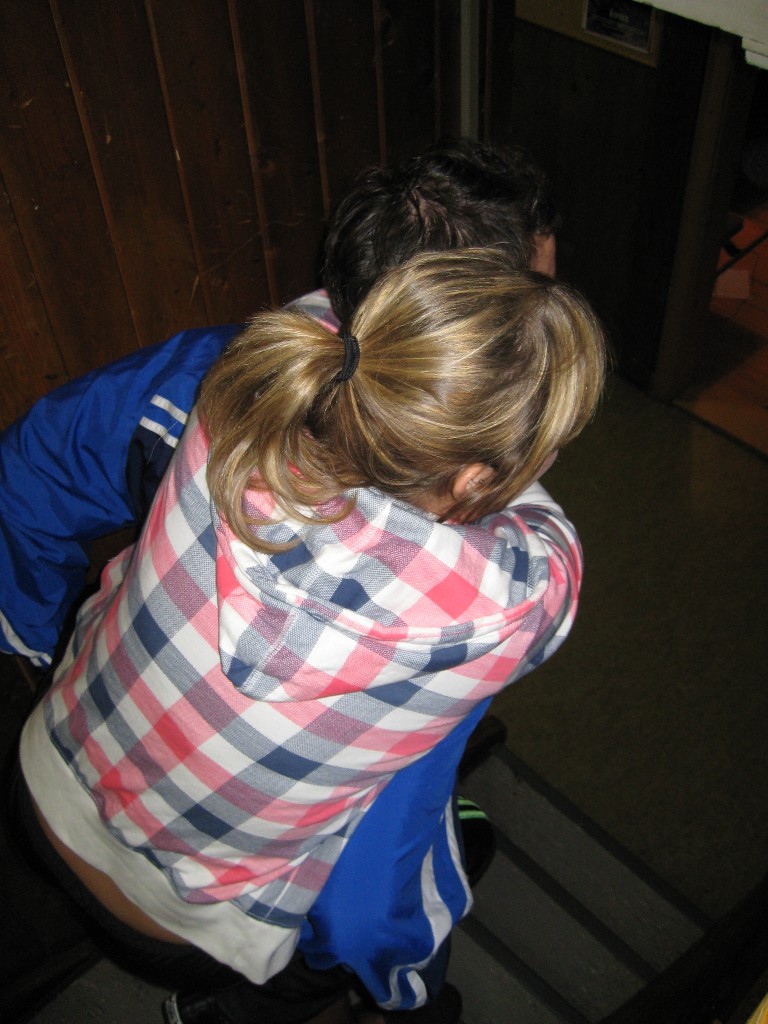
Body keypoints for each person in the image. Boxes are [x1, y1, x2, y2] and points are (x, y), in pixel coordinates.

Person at [0, 139, 564, 1020]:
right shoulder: (471, 613)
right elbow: (372, 895)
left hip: (41, 769)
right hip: (185, 925)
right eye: (531, 313)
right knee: (388, 863)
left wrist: (44, 652)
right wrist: (414, 995)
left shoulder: (222, 380)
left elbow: (33, 466)